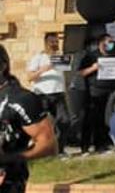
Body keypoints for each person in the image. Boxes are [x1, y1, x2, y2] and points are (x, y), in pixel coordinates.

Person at [0, 45, 58, 193]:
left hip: (8, 182)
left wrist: (10, 158)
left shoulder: (22, 99)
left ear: (3, 66)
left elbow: (48, 145)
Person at [76, 34, 115, 154]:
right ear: (101, 43)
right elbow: (81, 73)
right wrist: (93, 68)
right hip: (94, 92)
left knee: (104, 119)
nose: (111, 44)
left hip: (110, 91)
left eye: (112, 42)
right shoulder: (91, 56)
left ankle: (101, 145)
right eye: (109, 42)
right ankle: (85, 146)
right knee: (90, 119)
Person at [25, 34, 67, 155]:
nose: (54, 45)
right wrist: (44, 69)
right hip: (42, 95)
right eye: (52, 42)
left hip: (58, 93)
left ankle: (60, 149)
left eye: (56, 42)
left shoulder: (60, 57)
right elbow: (29, 77)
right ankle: (38, 149)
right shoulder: (38, 58)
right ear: (46, 43)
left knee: (64, 121)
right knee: (40, 124)